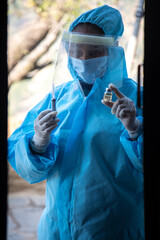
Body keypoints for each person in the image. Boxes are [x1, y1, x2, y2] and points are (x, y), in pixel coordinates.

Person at [8, 5, 144, 240]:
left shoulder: (135, 98)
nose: (83, 59)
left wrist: (135, 129)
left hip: (112, 229)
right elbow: (25, 163)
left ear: (112, 51)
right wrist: (36, 143)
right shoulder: (58, 97)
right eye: (76, 51)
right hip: (56, 228)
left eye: (93, 51)